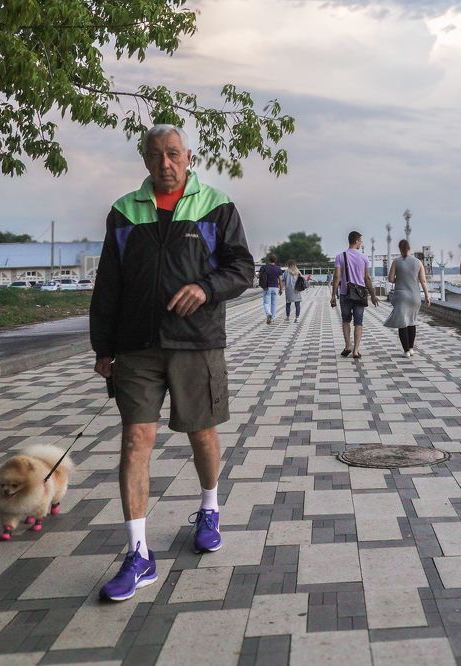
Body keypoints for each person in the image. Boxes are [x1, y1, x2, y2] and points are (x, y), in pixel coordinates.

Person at [89, 124, 254, 602]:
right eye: (156, 155)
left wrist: (206, 288)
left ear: (188, 157)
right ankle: (138, 554)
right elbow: (109, 283)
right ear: (145, 160)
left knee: (201, 433)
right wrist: (103, 347)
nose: (165, 163)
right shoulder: (124, 211)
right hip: (136, 345)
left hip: (196, 342)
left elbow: (241, 268)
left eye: (174, 154)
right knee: (135, 440)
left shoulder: (216, 205)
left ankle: (209, 508)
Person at [330, 231, 379, 359]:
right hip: (360, 294)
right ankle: (356, 351)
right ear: (356, 241)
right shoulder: (364, 257)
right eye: (360, 241)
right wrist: (373, 295)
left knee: (346, 320)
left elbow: (337, 277)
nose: (361, 243)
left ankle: (348, 345)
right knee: (358, 322)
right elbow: (367, 278)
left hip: (345, 293)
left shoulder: (340, 256)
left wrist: (333, 295)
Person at [384, 239, 430, 357]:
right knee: (412, 322)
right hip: (414, 296)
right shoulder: (418, 262)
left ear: (400, 249)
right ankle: (411, 348)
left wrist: (399, 279)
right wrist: (427, 295)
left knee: (402, 323)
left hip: (401, 296)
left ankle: (406, 351)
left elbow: (390, 279)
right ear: (409, 248)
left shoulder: (396, 261)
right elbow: (423, 280)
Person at [258, 254, 282, 324]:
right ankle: (272, 318)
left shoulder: (264, 267)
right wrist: (281, 289)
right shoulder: (278, 268)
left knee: (266, 303)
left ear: (269, 260)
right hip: (275, 288)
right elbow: (280, 280)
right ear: (275, 260)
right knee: (274, 304)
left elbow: (258, 276)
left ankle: (268, 313)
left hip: (267, 287)